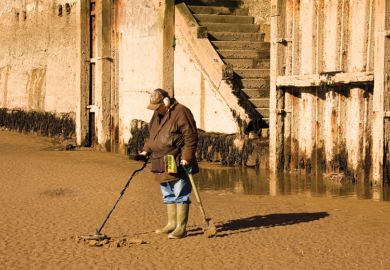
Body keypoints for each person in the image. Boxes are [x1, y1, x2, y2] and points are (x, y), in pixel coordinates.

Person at [137, 88, 199, 239]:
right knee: (168, 193)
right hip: (159, 160)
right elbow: (152, 136)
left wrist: (187, 157)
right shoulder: (157, 114)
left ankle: (181, 228)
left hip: (177, 159)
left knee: (181, 193)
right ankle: (171, 223)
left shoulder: (182, 112)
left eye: (157, 106)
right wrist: (146, 151)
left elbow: (191, 137)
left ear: (166, 101)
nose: (156, 110)